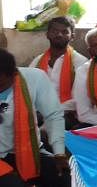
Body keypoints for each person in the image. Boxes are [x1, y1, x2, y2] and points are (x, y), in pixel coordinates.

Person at [0, 49, 68, 187]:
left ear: (14, 74)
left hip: (30, 150)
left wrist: (59, 153)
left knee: (63, 176)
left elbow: (53, 115)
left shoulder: (35, 78)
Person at [28, 17, 87, 127]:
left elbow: (79, 99)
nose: (59, 34)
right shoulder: (37, 61)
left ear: (72, 36)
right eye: (54, 31)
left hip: (68, 114)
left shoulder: (80, 62)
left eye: (64, 32)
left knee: (48, 130)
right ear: (47, 34)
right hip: (39, 112)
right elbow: (28, 91)